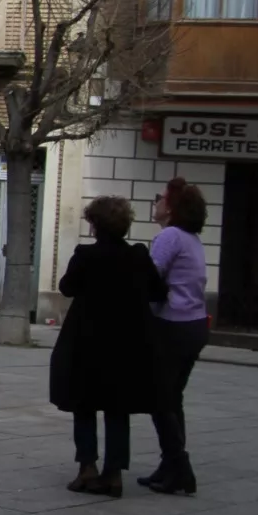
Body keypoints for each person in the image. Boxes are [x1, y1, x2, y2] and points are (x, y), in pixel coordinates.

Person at [51, 196, 167, 498]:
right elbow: (158, 291)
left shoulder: (86, 255)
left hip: (87, 340)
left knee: (84, 404)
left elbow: (67, 287)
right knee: (118, 408)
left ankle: (87, 467)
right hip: (126, 342)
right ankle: (114, 473)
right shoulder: (137, 256)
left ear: (95, 226)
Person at [144, 180, 209, 496]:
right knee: (172, 398)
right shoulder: (191, 239)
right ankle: (169, 465)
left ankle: (180, 467)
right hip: (194, 324)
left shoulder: (169, 236)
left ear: (170, 208)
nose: (156, 202)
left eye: (161, 198)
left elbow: (150, 279)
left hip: (172, 325)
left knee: (159, 399)